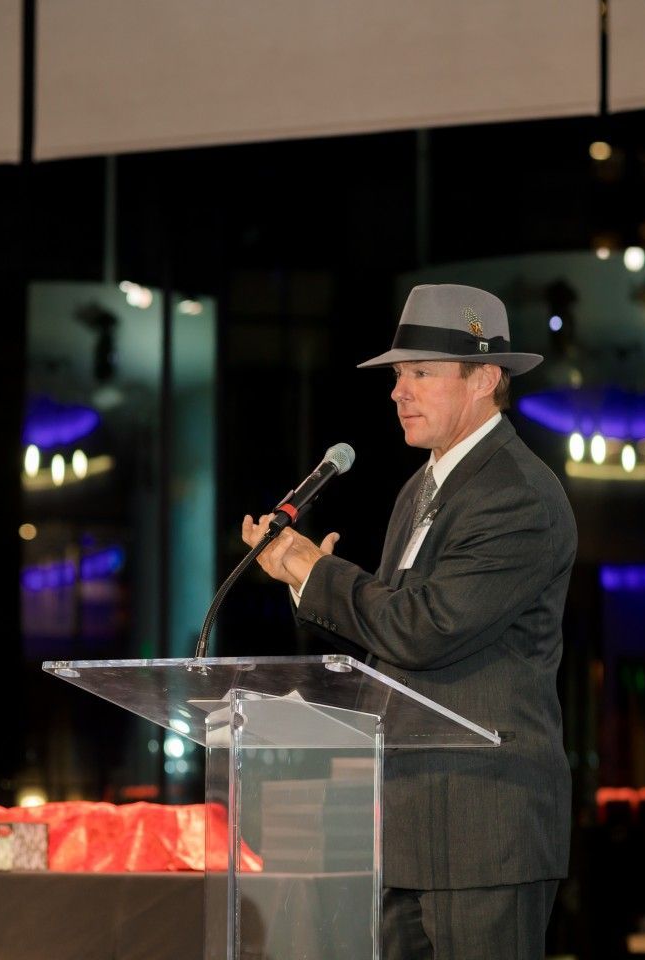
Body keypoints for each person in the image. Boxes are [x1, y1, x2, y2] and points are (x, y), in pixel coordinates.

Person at [241, 283, 576, 960]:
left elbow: (424, 629)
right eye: (398, 375)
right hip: (408, 829)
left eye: (421, 373)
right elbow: (391, 636)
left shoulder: (514, 495)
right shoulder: (420, 489)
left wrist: (318, 573)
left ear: (485, 378)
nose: (399, 392)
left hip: (485, 835)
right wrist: (305, 582)